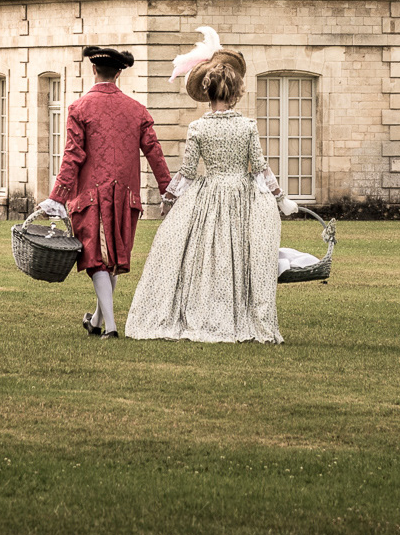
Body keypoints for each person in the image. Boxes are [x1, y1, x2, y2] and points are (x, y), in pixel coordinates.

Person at [125, 45, 294, 343]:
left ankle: (205, 309)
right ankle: (237, 312)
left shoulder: (198, 128)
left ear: (208, 92)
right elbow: (260, 169)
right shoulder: (247, 126)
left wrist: (169, 199)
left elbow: (187, 172)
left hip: (208, 197)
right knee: (238, 257)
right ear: (235, 93)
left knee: (207, 258)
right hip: (241, 199)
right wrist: (280, 198)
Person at [39, 45, 171, 339]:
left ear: (93, 70)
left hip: (91, 195)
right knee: (109, 260)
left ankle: (110, 327)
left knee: (98, 261)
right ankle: (97, 321)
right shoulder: (137, 110)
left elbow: (73, 156)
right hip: (127, 197)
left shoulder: (79, 108)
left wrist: (57, 197)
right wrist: (168, 189)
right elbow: (154, 151)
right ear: (119, 74)